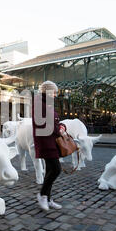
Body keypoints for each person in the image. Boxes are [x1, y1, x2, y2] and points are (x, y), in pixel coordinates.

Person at [32, 81, 66, 211]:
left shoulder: (46, 103)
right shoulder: (41, 104)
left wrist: (61, 126)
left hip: (50, 142)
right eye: (55, 92)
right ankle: (42, 195)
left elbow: (54, 121)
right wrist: (59, 130)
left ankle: (47, 197)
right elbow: (48, 123)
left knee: (50, 170)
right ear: (48, 91)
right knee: (56, 169)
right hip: (46, 143)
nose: (56, 95)